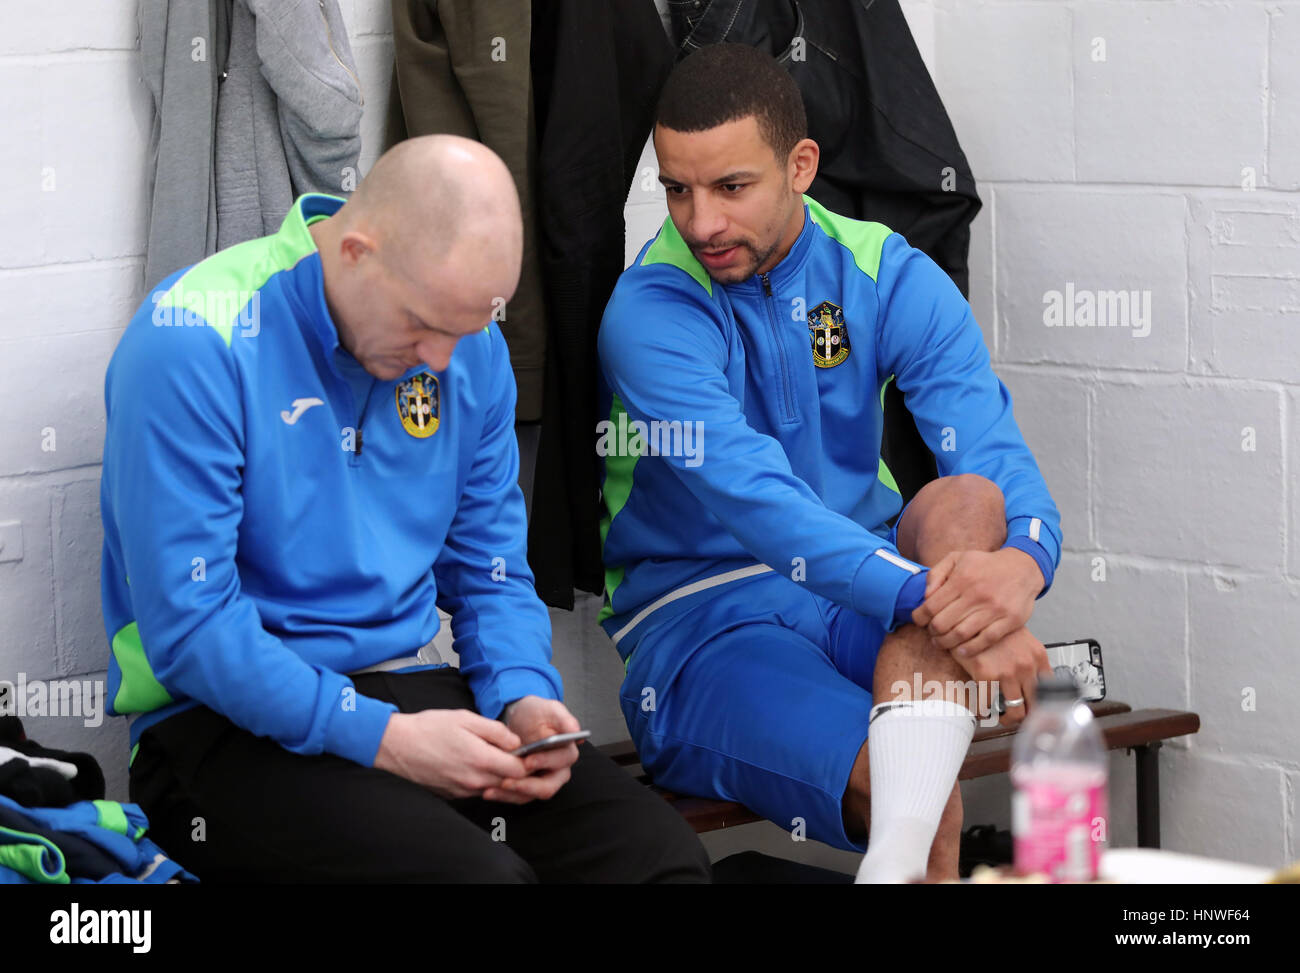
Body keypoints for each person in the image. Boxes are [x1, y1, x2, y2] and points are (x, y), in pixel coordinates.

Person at [100, 134, 711, 884]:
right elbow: (191, 629)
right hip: (215, 723)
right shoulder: (194, 339)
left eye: (468, 327)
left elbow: (489, 571)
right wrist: (383, 738)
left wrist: (522, 692)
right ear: (355, 251)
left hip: (412, 688)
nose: (444, 361)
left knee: (660, 860)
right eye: (423, 325)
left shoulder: (467, 344)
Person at [597, 44, 1060, 884]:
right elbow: (760, 502)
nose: (699, 222)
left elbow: (990, 448)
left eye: (730, 187)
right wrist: (955, 608)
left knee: (966, 498)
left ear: (800, 166)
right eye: (676, 189)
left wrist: (1023, 566)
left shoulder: (886, 269)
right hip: (703, 624)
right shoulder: (650, 311)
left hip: (866, 580)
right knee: (915, 792)